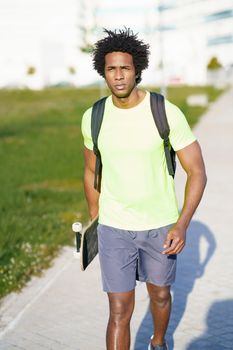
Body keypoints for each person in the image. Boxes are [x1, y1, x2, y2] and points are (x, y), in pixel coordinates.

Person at [81, 28, 207, 350]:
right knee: (119, 310)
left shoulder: (164, 111)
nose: (119, 76)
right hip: (115, 228)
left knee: (160, 295)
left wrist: (182, 224)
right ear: (103, 72)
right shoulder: (93, 117)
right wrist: (96, 218)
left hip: (160, 226)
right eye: (112, 69)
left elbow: (197, 171)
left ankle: (159, 340)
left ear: (137, 69)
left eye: (125, 68)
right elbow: (91, 170)